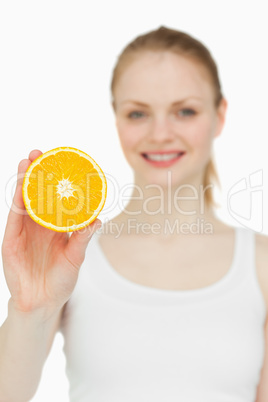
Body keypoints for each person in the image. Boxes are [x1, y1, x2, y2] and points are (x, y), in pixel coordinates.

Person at [1, 25, 268, 402]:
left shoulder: (262, 264)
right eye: (138, 113)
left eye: (185, 111)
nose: (160, 133)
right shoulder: (71, 258)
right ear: (117, 118)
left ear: (220, 115)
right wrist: (29, 308)